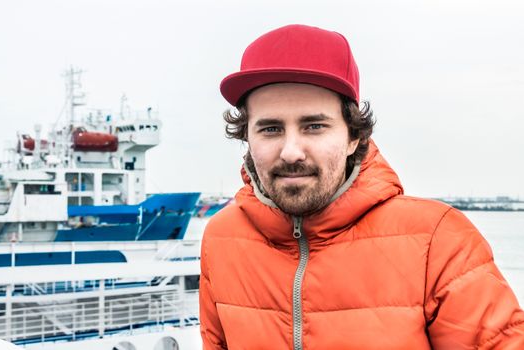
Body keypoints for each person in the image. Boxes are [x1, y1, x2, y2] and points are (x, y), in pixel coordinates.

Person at [200, 24, 524, 349]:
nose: (291, 152)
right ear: (247, 137)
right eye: (270, 129)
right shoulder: (222, 238)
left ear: (354, 136)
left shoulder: (437, 240)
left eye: (314, 126)